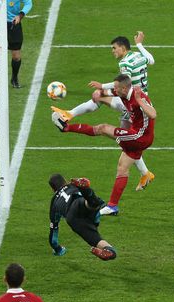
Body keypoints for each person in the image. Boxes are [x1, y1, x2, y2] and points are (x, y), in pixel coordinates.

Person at [51, 32, 156, 192]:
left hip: (132, 103)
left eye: (114, 48)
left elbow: (123, 83)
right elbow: (151, 60)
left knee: (100, 98)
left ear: (122, 48)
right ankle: (145, 173)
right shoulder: (137, 56)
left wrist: (102, 86)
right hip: (141, 100)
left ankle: (68, 114)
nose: (113, 51)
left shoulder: (125, 63)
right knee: (128, 145)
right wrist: (140, 45)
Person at [52, 74, 157, 216]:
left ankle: (65, 128)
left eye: (116, 88)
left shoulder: (138, 97)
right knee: (122, 168)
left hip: (140, 137)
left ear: (124, 89)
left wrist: (140, 101)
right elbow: (110, 92)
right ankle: (112, 206)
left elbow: (153, 114)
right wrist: (100, 92)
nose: (114, 90)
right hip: (137, 133)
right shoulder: (123, 91)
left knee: (102, 128)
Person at [48, 174, 117, 260]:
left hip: (72, 218)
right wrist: (95, 221)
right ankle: (86, 191)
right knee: (90, 204)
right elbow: (97, 212)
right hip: (79, 202)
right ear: (65, 181)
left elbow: (53, 235)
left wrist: (58, 249)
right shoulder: (72, 185)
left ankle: (109, 251)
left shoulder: (54, 202)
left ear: (52, 189)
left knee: (96, 240)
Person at [0, 0, 33, 93]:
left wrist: (20, 15)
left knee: (16, 56)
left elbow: (28, 3)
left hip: (13, 24)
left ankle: (14, 78)